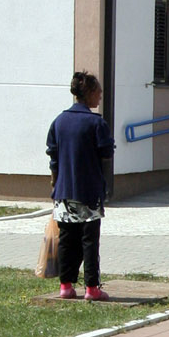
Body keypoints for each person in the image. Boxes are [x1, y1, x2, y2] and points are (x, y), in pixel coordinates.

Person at [46, 72, 115, 301]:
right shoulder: (96, 123)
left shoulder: (59, 121)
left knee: (67, 240)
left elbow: (53, 156)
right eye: (98, 91)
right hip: (89, 191)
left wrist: (54, 182)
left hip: (64, 191)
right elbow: (106, 153)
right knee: (89, 240)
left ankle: (66, 286)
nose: (101, 95)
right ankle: (92, 288)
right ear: (89, 93)